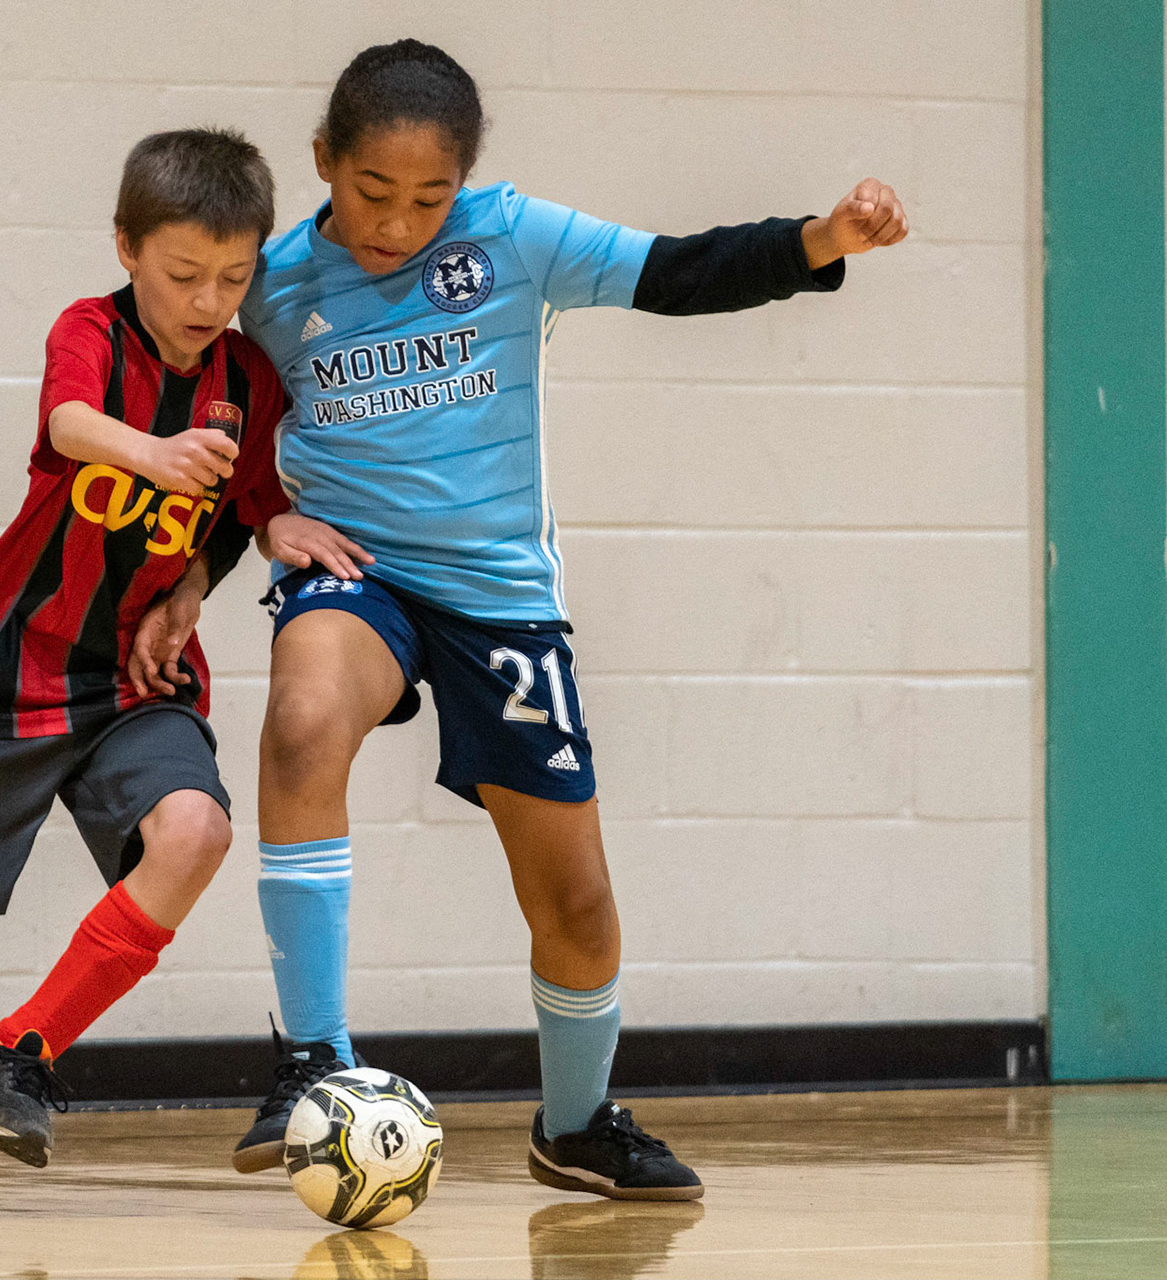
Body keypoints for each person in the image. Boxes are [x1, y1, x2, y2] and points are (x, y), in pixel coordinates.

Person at [231, 40, 910, 1201]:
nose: (399, 222)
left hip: (497, 593)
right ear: (322, 164)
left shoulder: (513, 238)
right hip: (358, 570)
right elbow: (215, 422)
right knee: (301, 720)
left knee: (577, 901)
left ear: (467, 182)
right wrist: (252, 532)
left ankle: (578, 1122)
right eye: (371, 193)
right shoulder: (273, 282)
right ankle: (312, 1059)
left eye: (428, 197)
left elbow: (677, 269)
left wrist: (822, 240)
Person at [0, 127, 364, 1212]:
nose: (206, 299)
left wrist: (213, 571)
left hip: (135, 679)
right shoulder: (88, 331)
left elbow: (239, 512)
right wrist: (155, 454)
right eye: (184, 274)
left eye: (233, 278)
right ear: (128, 247)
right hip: (6, 669)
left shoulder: (248, 381)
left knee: (199, 829)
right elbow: (69, 421)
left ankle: (16, 1055)